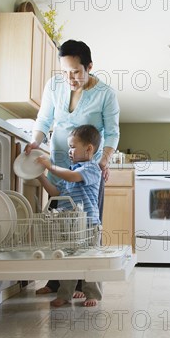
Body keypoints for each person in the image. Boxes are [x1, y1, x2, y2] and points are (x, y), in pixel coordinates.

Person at [24, 39, 120, 296]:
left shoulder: (106, 94)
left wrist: (103, 162)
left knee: (87, 225)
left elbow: (112, 133)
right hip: (58, 164)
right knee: (59, 226)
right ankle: (57, 282)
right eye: (65, 72)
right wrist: (35, 141)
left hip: (87, 170)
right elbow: (44, 119)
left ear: (89, 67)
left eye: (76, 72)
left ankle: (83, 285)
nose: (70, 78)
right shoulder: (53, 86)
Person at [35, 125, 103, 307]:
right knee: (67, 260)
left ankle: (92, 295)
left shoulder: (91, 169)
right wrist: (41, 176)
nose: (70, 151)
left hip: (88, 224)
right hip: (68, 225)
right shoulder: (71, 171)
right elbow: (56, 192)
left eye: (73, 147)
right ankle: (65, 294)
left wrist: (51, 166)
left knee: (89, 261)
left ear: (89, 149)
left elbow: (73, 177)